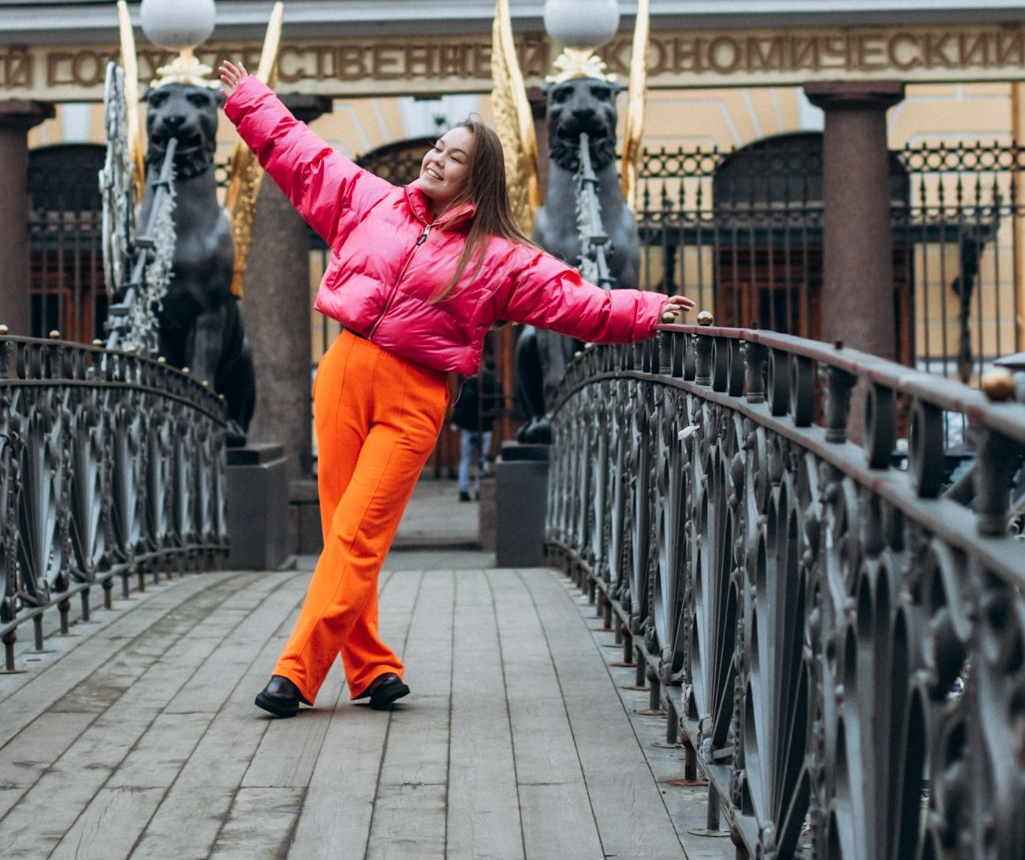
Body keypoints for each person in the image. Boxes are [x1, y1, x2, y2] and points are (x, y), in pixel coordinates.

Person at [217, 60, 696, 718]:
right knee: (343, 535)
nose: (437, 158)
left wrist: (646, 312)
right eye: (438, 147)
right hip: (343, 374)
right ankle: (373, 668)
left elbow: (575, 302)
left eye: (455, 155)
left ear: (479, 176)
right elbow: (302, 156)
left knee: (358, 534)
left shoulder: (498, 257)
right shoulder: (372, 202)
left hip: (413, 398)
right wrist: (250, 98)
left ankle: (296, 672)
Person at [451, 367, 491, 503]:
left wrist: (457, 422)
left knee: (466, 460)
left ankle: (463, 490)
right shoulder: (490, 383)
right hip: (485, 427)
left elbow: (459, 406)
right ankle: (479, 488)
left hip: (468, 428)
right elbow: (498, 403)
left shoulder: (466, 386)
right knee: (483, 459)